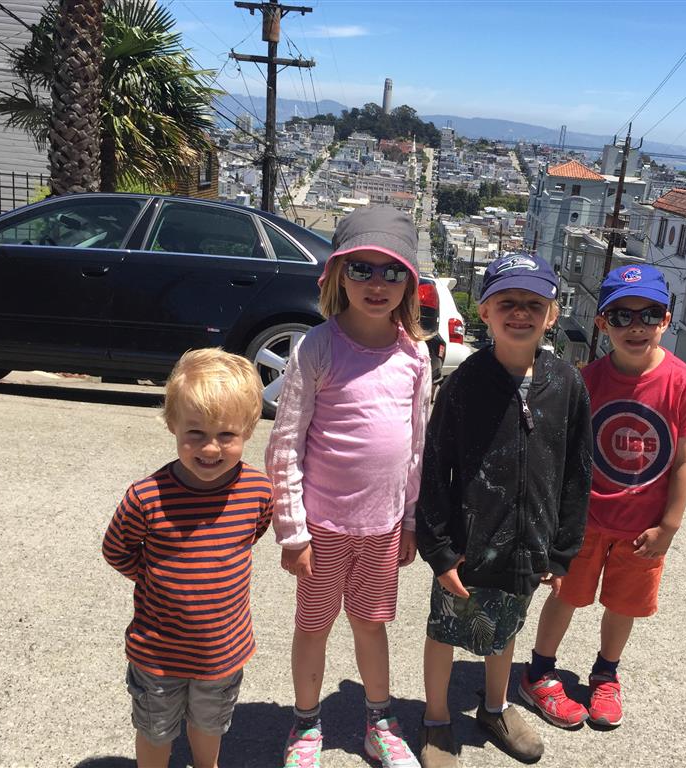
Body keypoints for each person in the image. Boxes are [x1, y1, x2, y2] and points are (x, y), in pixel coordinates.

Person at [265, 206, 432, 768]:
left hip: (383, 527)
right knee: (313, 627)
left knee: (371, 623)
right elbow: (286, 442)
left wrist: (411, 520)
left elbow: (416, 446)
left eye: (393, 271)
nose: (377, 283)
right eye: (361, 268)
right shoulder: (316, 347)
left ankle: (378, 723)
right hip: (322, 528)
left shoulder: (415, 355)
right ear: (338, 275)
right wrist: (293, 530)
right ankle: (305, 723)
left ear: (409, 281)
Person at [415, 252, 592, 767]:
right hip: (466, 547)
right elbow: (434, 468)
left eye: (533, 304)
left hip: (530, 545)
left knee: (506, 629)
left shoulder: (568, 383)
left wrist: (562, 551)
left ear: (552, 314)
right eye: (507, 302)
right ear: (486, 312)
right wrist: (439, 550)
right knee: (444, 630)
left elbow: (578, 472)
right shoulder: (464, 383)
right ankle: (436, 717)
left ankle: (495, 709)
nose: (520, 313)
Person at [523, 264, 686, 730]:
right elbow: (563, 454)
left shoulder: (683, 382)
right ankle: (539, 670)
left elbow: (685, 459)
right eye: (622, 316)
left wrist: (669, 525)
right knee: (565, 595)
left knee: (623, 604)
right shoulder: (586, 379)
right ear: (602, 322)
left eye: (649, 315)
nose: (636, 326)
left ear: (666, 320)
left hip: (643, 527)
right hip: (584, 520)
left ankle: (606, 675)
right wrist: (554, 522)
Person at [102, 348, 273, 768]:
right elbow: (117, 549)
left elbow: (252, 534)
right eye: (195, 433)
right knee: (155, 728)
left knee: (210, 723)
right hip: (158, 651)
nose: (210, 447)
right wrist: (154, 576)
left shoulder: (257, 491)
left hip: (223, 648)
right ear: (172, 424)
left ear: (249, 430)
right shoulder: (146, 497)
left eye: (227, 435)